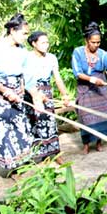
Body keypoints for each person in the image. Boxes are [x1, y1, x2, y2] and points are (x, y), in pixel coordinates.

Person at [0, 14, 45, 183]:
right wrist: (3, 90)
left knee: (18, 132)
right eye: (24, 33)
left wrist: (37, 98)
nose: (26, 37)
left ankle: (16, 169)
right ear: (12, 31)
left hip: (17, 96)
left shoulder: (23, 53)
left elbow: (29, 78)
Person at [72, 22, 107, 154]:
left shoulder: (103, 54)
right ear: (86, 40)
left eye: (98, 42)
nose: (96, 45)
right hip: (85, 89)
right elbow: (77, 73)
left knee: (101, 116)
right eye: (93, 42)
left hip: (100, 89)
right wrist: (91, 79)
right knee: (85, 116)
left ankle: (99, 142)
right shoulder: (78, 52)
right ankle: (86, 144)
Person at [26, 31, 70, 164]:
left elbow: (57, 78)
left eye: (47, 42)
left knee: (50, 123)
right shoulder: (27, 58)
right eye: (43, 42)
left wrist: (65, 95)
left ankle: (55, 154)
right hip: (31, 93)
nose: (46, 45)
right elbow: (25, 80)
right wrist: (36, 95)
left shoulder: (51, 58)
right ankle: (39, 157)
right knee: (34, 124)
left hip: (47, 93)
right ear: (34, 44)